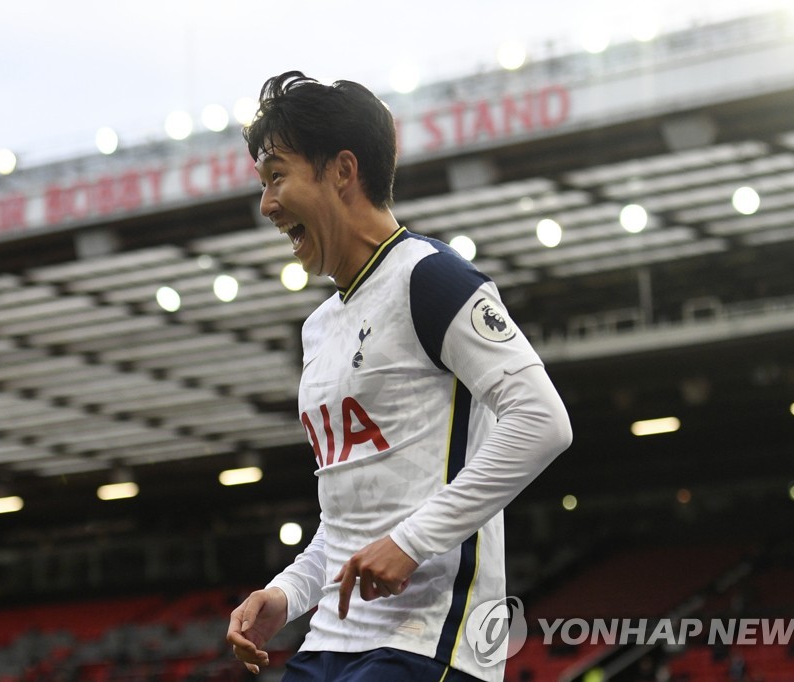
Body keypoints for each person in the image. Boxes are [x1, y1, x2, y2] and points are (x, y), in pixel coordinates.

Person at [226, 71, 573, 682]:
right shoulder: (318, 330)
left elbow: (542, 421)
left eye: (277, 175)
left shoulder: (432, 278)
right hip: (331, 641)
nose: (267, 204)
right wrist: (285, 594)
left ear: (341, 170)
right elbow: (347, 521)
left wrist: (411, 541)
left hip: (434, 637)